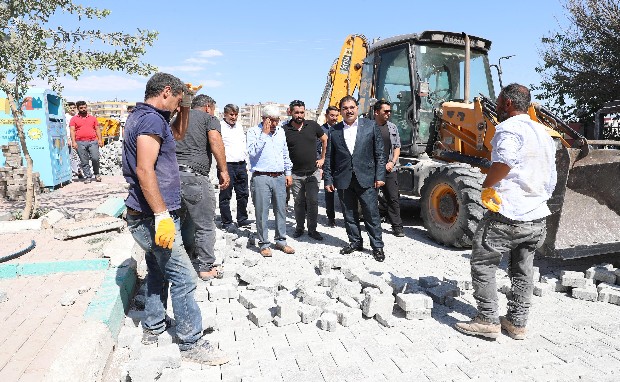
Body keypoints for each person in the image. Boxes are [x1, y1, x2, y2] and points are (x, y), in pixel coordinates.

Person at [122, 72, 229, 365]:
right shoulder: (151, 121)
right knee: (184, 277)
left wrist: (186, 100)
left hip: (153, 215)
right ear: (166, 91)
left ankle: (154, 326)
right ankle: (191, 341)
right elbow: (145, 170)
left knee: (158, 272)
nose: (180, 105)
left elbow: (179, 131)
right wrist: (161, 216)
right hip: (152, 217)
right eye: (179, 99)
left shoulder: (143, 116)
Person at [455, 83, 557, 340]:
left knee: (483, 262)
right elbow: (551, 175)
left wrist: (487, 185)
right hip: (537, 215)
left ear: (508, 104)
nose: (497, 106)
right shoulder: (543, 132)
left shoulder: (508, 128)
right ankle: (517, 323)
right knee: (523, 269)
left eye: (499, 102)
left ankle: (488, 319)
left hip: (510, 213)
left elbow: (503, 163)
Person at [323, 96, 386, 262]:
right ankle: (355, 241)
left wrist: (380, 176)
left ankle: (377, 246)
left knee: (371, 214)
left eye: (352, 107)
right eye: (345, 108)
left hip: (366, 178)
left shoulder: (370, 126)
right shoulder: (334, 130)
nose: (349, 111)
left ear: (357, 108)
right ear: (341, 111)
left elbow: (380, 154)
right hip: (344, 179)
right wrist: (328, 179)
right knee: (349, 214)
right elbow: (329, 157)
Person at [175, 94, 230, 281]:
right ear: (208, 107)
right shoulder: (209, 119)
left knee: (177, 223)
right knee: (205, 225)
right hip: (194, 177)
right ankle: (205, 267)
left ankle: (177, 263)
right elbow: (215, 141)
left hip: (170, 178)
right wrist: (223, 170)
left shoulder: (176, 117)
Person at [247, 104, 295, 257]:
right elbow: (252, 152)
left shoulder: (281, 132)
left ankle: (281, 241)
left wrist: (288, 173)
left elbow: (285, 154)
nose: (275, 124)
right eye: (272, 120)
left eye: (277, 120)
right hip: (261, 177)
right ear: (264, 119)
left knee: (281, 210)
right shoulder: (253, 132)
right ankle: (263, 244)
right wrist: (263, 134)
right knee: (262, 212)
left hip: (279, 177)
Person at [284, 100, 327, 241]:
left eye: (302, 112)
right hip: (295, 174)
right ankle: (299, 228)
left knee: (313, 201)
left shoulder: (313, 126)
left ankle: (313, 230)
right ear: (290, 112)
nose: (299, 115)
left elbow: (325, 140)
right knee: (298, 202)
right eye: (296, 112)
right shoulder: (285, 130)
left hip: (313, 173)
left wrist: (322, 159)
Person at [374, 100, 404, 237]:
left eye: (390, 111)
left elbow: (397, 146)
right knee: (370, 199)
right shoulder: (368, 127)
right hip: (372, 169)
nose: (389, 113)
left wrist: (392, 162)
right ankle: (374, 226)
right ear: (376, 112)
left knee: (393, 198)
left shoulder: (392, 127)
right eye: (385, 111)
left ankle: (397, 227)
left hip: (389, 169)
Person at [219, 104, 251, 232]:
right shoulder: (219, 127)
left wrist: (246, 164)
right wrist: (222, 169)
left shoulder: (239, 127)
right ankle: (226, 221)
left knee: (243, 193)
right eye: (231, 114)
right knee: (226, 195)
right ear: (225, 114)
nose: (234, 117)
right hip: (227, 165)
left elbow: (243, 146)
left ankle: (242, 219)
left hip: (241, 165)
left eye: (236, 114)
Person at [70, 100, 103, 183]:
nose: (83, 109)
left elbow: (97, 129)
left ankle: (97, 174)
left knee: (95, 158)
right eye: (81, 108)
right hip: (80, 142)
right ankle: (88, 176)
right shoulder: (73, 119)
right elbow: (72, 131)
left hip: (93, 141)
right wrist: (73, 142)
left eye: (85, 107)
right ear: (78, 109)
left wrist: (100, 139)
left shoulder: (93, 118)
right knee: (84, 160)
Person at [318, 106, 340, 228]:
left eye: (336, 115)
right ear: (327, 116)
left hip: (340, 167)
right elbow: (316, 150)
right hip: (327, 167)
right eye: (332, 115)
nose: (334, 118)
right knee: (329, 193)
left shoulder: (341, 129)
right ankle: (331, 218)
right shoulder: (320, 130)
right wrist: (320, 165)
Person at [64, 101, 81, 178]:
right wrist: (68, 139)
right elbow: (66, 129)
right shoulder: (66, 117)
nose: (72, 109)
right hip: (71, 139)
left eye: (74, 108)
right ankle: (76, 171)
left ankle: (79, 169)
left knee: (80, 155)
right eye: (70, 108)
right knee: (72, 155)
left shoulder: (78, 116)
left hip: (79, 138)